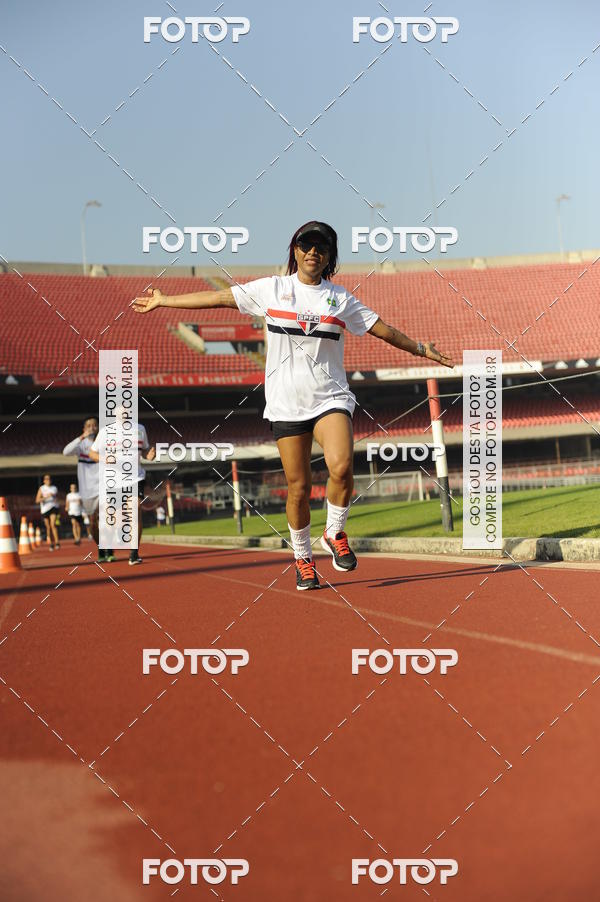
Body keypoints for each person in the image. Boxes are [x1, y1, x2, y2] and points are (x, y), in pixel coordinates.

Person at [133, 220, 453, 590]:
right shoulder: (273, 289)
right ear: (295, 250)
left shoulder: (340, 299)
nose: (313, 251)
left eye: (321, 246)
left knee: (342, 465)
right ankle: (302, 558)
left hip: (330, 397)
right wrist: (164, 300)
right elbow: (220, 298)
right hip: (285, 405)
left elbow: (382, 328)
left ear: (330, 256)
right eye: (306, 245)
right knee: (298, 487)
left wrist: (421, 349)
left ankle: (334, 532)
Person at [89, 419, 155, 565]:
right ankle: (107, 548)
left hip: (135, 478)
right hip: (112, 481)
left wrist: (148, 455)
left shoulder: (140, 428)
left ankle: (133, 553)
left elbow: (144, 450)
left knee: (135, 510)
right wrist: (104, 458)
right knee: (110, 521)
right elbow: (92, 453)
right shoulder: (106, 431)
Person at [63, 417, 114, 562]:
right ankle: (100, 547)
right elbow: (66, 452)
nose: (92, 427)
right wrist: (81, 437)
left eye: (95, 425)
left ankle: (109, 548)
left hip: (104, 485)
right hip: (87, 489)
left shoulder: (104, 443)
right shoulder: (81, 445)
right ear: (84, 428)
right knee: (92, 522)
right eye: (89, 425)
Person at [35, 474, 60, 551]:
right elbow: (37, 500)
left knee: (53, 525)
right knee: (48, 527)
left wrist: (53, 496)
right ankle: (51, 543)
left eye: (49, 479)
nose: (48, 480)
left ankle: (57, 542)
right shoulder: (41, 489)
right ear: (44, 481)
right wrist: (45, 497)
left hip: (53, 507)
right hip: (45, 509)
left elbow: (56, 496)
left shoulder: (54, 488)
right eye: (46, 479)